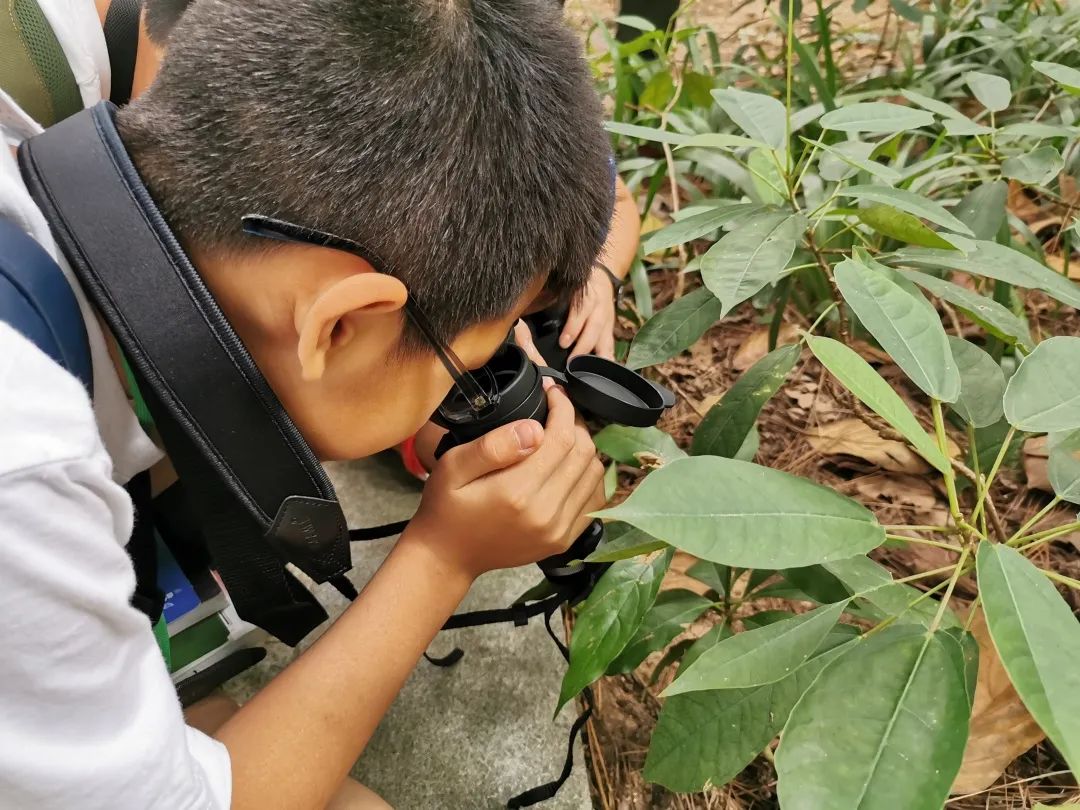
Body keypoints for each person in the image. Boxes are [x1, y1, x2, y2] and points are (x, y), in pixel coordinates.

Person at [0, 2, 613, 809]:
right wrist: (442, 558)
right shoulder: (29, 461)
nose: (464, 397)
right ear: (340, 325)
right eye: (460, 371)